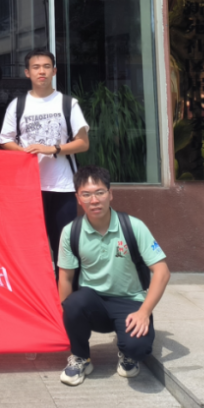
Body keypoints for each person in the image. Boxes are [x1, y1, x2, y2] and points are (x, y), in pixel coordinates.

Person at [57, 166, 169, 387]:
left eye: (100, 192)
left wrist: (144, 312)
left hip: (129, 301)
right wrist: (67, 318)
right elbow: (66, 278)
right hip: (92, 302)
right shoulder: (71, 232)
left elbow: (162, 271)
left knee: (138, 349)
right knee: (73, 303)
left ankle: (127, 353)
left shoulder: (133, 226)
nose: (94, 200)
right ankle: (80, 357)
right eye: (86, 194)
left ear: (110, 194)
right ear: (78, 198)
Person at [0, 49, 90, 266]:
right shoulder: (18, 105)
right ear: (27, 73)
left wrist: (52, 149)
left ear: (54, 71)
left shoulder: (68, 104)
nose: (42, 71)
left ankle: (65, 287)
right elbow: (5, 140)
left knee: (64, 247)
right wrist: (24, 153)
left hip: (62, 186)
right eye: (36, 67)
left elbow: (83, 143)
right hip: (28, 187)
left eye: (47, 67)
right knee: (30, 247)